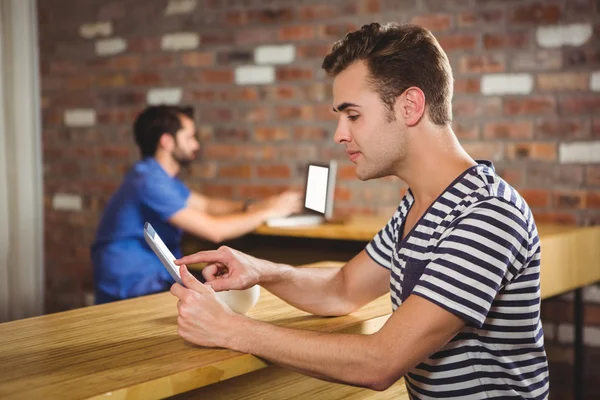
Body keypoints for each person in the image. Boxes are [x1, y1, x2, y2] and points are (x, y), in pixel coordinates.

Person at [170, 23, 549, 399]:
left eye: (352, 115)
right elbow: (343, 289)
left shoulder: (487, 213)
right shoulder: (420, 203)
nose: (339, 134)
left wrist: (232, 329)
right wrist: (260, 270)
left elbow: (380, 361)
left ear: (410, 106)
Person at [91, 105, 302, 304]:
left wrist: (258, 206)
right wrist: (272, 211)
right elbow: (214, 230)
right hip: (132, 284)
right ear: (167, 142)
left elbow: (207, 206)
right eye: (190, 137)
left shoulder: (160, 178)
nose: (196, 145)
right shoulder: (149, 181)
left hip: (150, 276)